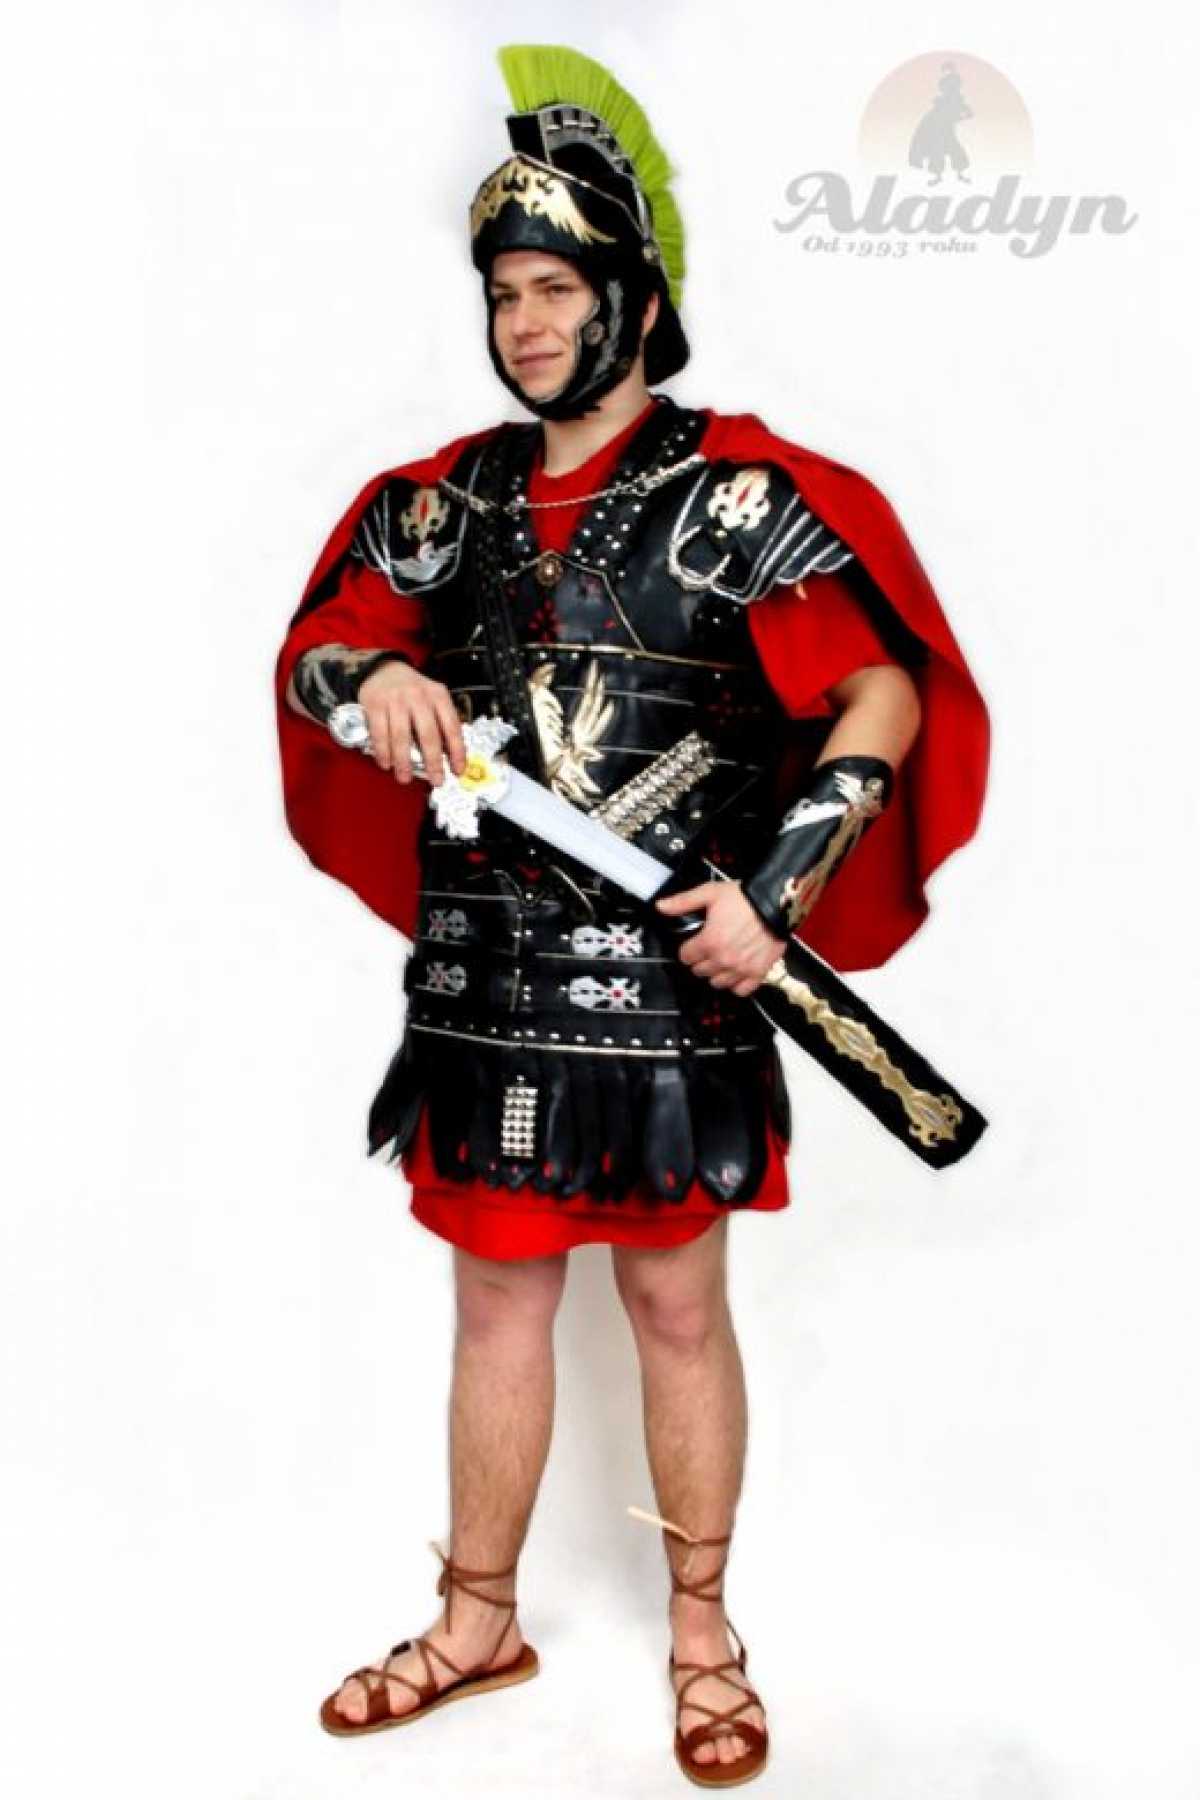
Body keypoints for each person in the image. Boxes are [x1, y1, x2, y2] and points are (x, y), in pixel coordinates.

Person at [273, 43, 989, 1788]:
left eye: (556, 289)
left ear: (639, 301)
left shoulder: (738, 495)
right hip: (485, 987)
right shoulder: (444, 504)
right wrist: (373, 676)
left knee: (675, 1307)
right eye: (504, 294)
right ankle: (478, 1622)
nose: (524, 324)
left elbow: (883, 694)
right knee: (495, 1314)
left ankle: (703, 1635)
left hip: (676, 990)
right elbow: (316, 656)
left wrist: (778, 892)